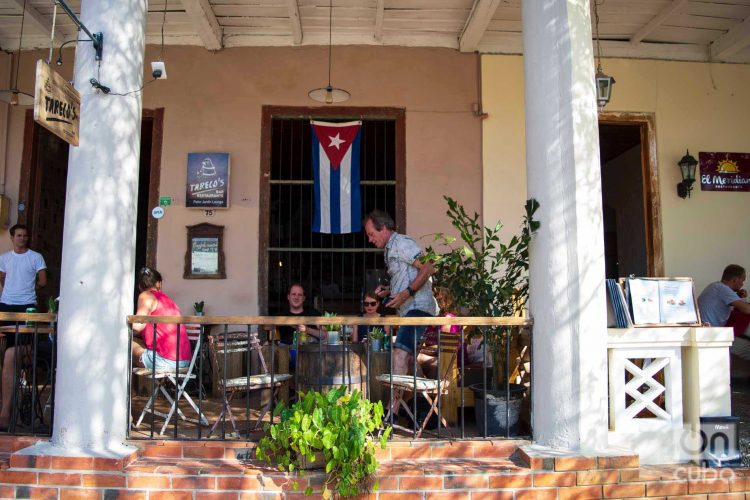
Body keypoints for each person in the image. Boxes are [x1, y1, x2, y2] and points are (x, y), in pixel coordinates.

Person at [365, 210, 438, 376]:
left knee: (399, 354)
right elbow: (407, 277)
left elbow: (429, 267)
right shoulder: (389, 248)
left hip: (417, 309)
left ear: (383, 228)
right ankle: (423, 401)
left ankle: (394, 402)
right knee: (409, 359)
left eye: (371, 234)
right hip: (408, 311)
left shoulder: (401, 243)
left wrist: (406, 293)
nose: (370, 239)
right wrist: (389, 291)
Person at [0, 224, 47, 430]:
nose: (22, 238)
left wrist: (29, 290)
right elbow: (1, 278)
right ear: (12, 237)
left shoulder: (36, 257)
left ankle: (13, 401)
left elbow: (43, 281)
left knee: (20, 347)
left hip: (28, 305)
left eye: (25, 235)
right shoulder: (5, 257)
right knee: (4, 349)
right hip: (6, 305)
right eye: (18, 235)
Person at [131, 267, 192, 370]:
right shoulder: (166, 300)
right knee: (137, 342)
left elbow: (137, 326)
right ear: (158, 284)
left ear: (140, 286)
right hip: (184, 361)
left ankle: (124, 385)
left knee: (125, 341)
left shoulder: (146, 296)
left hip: (166, 362)